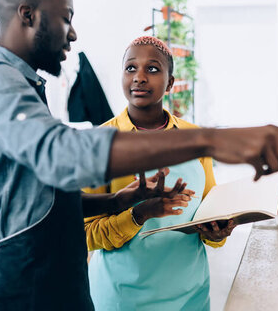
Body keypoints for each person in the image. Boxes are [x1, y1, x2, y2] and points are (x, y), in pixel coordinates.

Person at [0, 0, 278, 310]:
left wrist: (118, 199)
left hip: (56, 282)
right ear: (28, 15)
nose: (75, 33)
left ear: (170, 81)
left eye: (152, 70)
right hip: (20, 286)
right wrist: (207, 141)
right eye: (67, 19)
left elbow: (38, 200)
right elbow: (60, 153)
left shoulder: (28, 86)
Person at [84, 36, 235, 310]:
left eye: (152, 69)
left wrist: (216, 233)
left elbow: (209, 214)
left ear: (170, 83)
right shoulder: (99, 143)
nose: (139, 77)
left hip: (190, 295)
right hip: (121, 298)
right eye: (131, 68)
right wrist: (140, 214)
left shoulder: (196, 139)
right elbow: (86, 234)